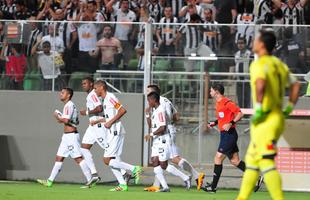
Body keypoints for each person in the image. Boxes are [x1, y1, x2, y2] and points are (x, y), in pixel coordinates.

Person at [236, 29, 300, 200]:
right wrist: (289, 108)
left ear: (261, 44)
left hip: (265, 120)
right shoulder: (279, 64)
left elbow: (260, 84)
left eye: (256, 40)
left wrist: (259, 108)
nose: (253, 42)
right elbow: (296, 85)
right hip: (277, 117)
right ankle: (241, 197)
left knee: (266, 161)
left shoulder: (258, 64)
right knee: (251, 162)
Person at [144, 84, 205, 192]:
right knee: (158, 159)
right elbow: (176, 114)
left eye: (148, 91)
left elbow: (168, 119)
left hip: (167, 132)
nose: (146, 93)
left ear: (154, 93)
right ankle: (158, 185)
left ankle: (195, 175)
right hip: (161, 133)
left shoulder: (162, 103)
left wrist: (165, 124)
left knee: (173, 158)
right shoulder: (158, 103)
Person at [91, 80, 142, 191]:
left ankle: (134, 168)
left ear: (101, 87)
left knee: (106, 159)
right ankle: (122, 184)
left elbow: (122, 110)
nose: (94, 91)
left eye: (95, 88)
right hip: (112, 131)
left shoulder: (110, 97)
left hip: (115, 131)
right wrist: (99, 121)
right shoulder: (105, 100)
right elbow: (110, 116)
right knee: (111, 160)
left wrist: (110, 123)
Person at [37, 87, 92, 187]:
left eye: (63, 93)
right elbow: (71, 121)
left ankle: (90, 180)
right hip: (66, 137)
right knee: (59, 157)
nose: (60, 94)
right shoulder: (69, 105)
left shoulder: (69, 105)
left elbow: (65, 120)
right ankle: (49, 181)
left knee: (78, 158)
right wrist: (60, 117)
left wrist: (57, 115)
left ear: (68, 95)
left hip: (71, 137)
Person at [203, 83, 246, 193]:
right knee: (235, 161)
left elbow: (240, 114)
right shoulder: (218, 103)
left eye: (211, 91)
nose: (210, 92)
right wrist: (215, 122)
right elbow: (224, 118)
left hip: (229, 135)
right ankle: (257, 177)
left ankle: (213, 186)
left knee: (218, 158)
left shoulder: (227, 102)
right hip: (225, 135)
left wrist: (231, 123)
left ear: (216, 92)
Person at [79, 77, 105, 187]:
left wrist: (86, 112)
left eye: (85, 83)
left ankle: (125, 173)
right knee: (84, 148)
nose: (83, 85)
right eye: (82, 83)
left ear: (91, 84)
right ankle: (94, 174)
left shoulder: (92, 94)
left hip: (98, 125)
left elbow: (100, 108)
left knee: (109, 151)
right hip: (92, 126)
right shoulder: (90, 95)